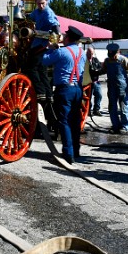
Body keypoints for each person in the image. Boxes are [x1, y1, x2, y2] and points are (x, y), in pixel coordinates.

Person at [42, 26, 86, 164]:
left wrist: (50, 47)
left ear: (68, 38)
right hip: (78, 89)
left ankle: (68, 153)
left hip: (65, 89)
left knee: (65, 121)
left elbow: (44, 60)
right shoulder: (82, 53)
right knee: (75, 120)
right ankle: (76, 150)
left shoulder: (62, 52)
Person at [27, 0, 61, 126]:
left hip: (43, 45)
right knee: (37, 68)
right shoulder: (36, 12)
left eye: (42, 3)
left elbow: (55, 25)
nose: (41, 6)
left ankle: (42, 92)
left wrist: (55, 38)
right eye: (38, 3)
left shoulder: (48, 12)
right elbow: (29, 19)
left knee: (35, 68)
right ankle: (45, 92)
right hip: (36, 44)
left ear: (46, 2)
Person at [103, 43, 128, 134]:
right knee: (112, 107)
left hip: (122, 87)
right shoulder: (107, 61)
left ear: (118, 52)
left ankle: (125, 126)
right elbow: (103, 70)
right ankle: (115, 125)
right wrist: (93, 73)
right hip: (111, 87)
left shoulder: (123, 60)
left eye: (113, 54)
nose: (112, 57)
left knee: (124, 107)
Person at [84, 45, 103, 116]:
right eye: (89, 53)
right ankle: (88, 110)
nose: (90, 55)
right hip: (87, 82)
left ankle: (96, 109)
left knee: (99, 95)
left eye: (92, 53)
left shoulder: (95, 60)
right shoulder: (84, 60)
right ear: (86, 53)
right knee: (88, 97)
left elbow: (100, 68)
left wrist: (97, 70)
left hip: (95, 81)